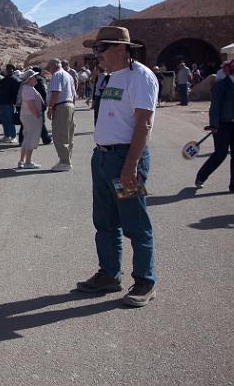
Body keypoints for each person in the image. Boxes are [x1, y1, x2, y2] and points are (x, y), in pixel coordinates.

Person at [76, 26, 158, 308]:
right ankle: (109, 274)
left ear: (122, 49)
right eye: (95, 49)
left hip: (125, 160)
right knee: (105, 220)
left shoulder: (141, 77)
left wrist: (130, 165)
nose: (96, 54)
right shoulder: (112, 77)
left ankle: (145, 280)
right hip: (103, 158)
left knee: (135, 221)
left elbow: (143, 124)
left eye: (101, 48)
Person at [194, 59, 234, 193]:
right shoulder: (222, 85)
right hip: (223, 124)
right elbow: (215, 106)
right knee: (220, 154)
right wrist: (214, 124)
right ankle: (201, 176)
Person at [46, 58, 76, 171]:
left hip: (61, 106)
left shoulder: (57, 75)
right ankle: (67, 159)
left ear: (53, 66)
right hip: (69, 105)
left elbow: (56, 92)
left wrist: (50, 107)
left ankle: (65, 162)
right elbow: (73, 94)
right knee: (68, 135)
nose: (49, 71)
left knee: (59, 134)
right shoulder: (68, 75)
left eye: (49, 68)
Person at [17, 69, 44, 169]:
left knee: (27, 137)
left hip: (27, 115)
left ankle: (22, 161)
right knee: (31, 138)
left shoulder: (27, 88)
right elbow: (31, 104)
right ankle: (27, 162)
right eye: (34, 76)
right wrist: (37, 114)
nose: (36, 78)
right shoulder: (28, 88)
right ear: (29, 79)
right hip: (31, 116)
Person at [0, 64, 19, 143]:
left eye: (10, 69)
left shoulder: (15, 80)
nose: (8, 70)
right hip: (2, 103)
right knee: (3, 120)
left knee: (9, 120)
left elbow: (16, 93)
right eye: (7, 68)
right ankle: (6, 135)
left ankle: (13, 136)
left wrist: (14, 103)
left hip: (9, 103)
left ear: (13, 70)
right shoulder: (4, 80)